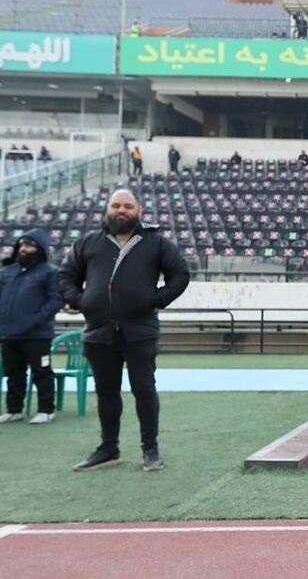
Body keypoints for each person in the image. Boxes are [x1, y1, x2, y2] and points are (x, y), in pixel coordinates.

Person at [60, 189, 190, 471]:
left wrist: (155, 300)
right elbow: (66, 276)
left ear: (139, 211)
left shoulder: (155, 242)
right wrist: (80, 300)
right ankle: (109, 449)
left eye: (128, 206)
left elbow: (180, 275)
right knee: (106, 392)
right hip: (98, 332)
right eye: (116, 205)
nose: (121, 210)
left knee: (144, 390)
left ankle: (150, 450)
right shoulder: (88, 243)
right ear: (107, 209)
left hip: (140, 331)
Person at [0, 230, 64, 424]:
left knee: (42, 372)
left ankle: (46, 410)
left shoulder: (50, 272)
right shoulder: (8, 272)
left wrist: (35, 320)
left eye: (29, 245)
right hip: (10, 334)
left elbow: (56, 300)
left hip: (37, 335)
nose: (24, 249)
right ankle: (14, 410)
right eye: (22, 245)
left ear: (40, 249)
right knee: (13, 373)